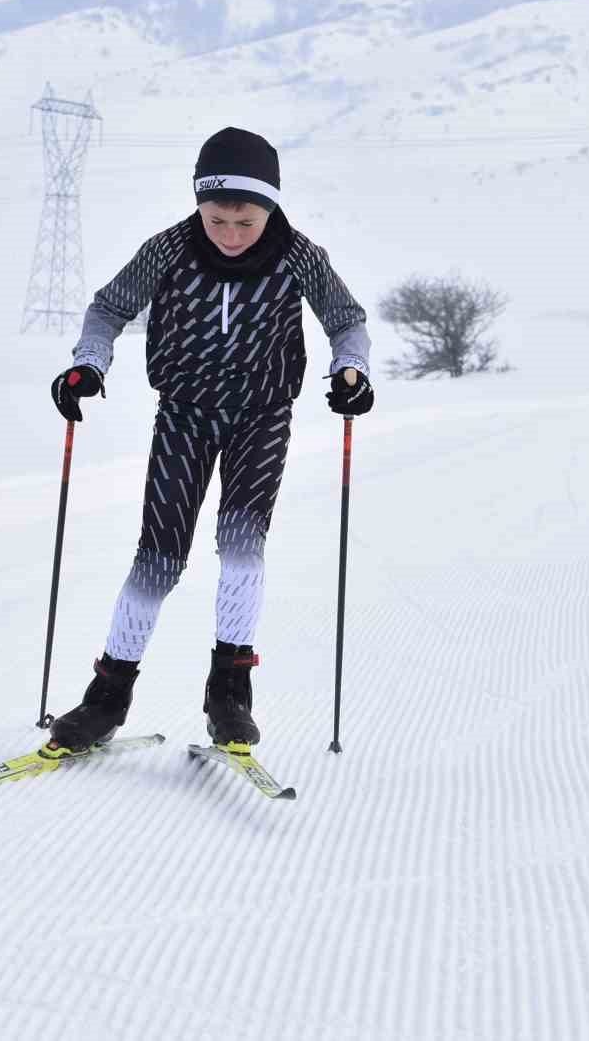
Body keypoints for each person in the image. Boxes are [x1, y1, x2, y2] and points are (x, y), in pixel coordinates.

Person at [45, 126, 374, 754]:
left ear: (269, 208)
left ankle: (229, 692)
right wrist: (89, 363)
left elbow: (345, 319)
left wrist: (350, 370)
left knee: (242, 549)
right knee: (157, 557)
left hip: (262, 415)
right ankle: (106, 697)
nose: (229, 234)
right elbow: (108, 309)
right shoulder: (169, 249)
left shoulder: (298, 255)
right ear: (199, 204)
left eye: (245, 222)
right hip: (185, 414)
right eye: (216, 218)